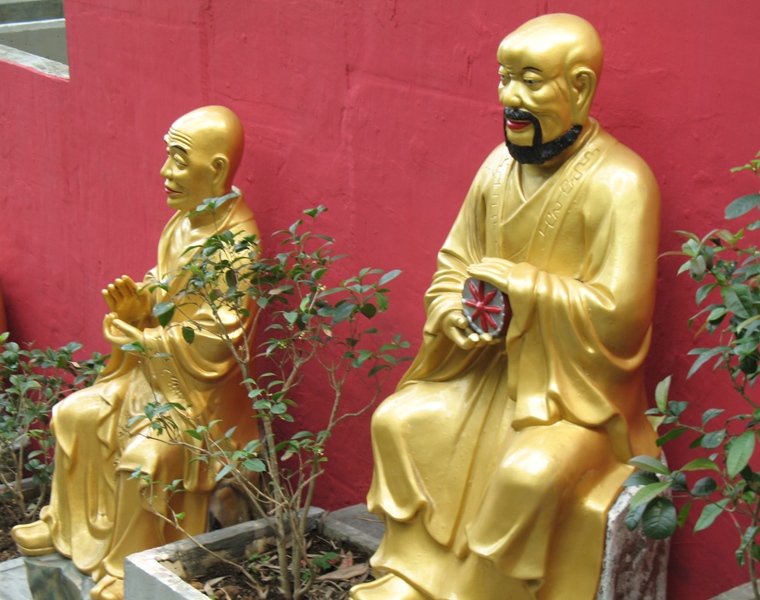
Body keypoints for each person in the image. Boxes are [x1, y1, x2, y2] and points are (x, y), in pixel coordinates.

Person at [351, 14, 660, 600]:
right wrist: (452, 316)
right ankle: (412, 576)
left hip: (570, 399)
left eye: (532, 82)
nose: (510, 98)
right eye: (504, 78)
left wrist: (525, 289)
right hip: (483, 372)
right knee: (398, 420)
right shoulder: (496, 168)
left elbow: (621, 316)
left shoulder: (622, 182)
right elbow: (452, 266)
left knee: (530, 473)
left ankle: (480, 591)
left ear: (582, 88)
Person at [12, 106, 260, 600]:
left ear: (213, 170)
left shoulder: (236, 247)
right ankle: (65, 525)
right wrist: (139, 309)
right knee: (74, 413)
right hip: (152, 374)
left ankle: (131, 562)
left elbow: (215, 344)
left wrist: (141, 339)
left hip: (200, 400)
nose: (164, 172)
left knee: (146, 457)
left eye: (177, 160)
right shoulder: (182, 225)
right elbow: (164, 295)